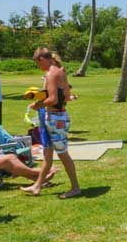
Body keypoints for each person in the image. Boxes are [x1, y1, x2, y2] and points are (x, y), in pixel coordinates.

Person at [21, 47, 81, 199]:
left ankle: (75, 188)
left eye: (37, 63)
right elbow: (66, 96)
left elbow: (53, 99)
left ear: (41, 59)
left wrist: (38, 104)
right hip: (60, 115)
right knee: (47, 155)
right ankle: (37, 186)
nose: (38, 67)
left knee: (62, 154)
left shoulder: (51, 74)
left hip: (55, 118)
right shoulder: (61, 71)